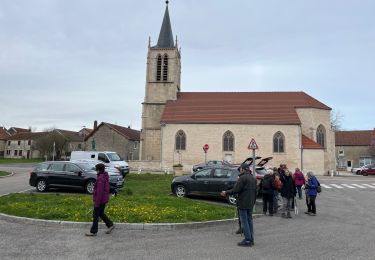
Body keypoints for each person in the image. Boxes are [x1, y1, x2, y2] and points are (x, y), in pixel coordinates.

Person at [221, 163, 257, 247]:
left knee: (244, 221)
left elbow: (236, 189)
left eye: (240, 168)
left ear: (242, 169)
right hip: (250, 202)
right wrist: (253, 201)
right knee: (249, 220)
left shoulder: (242, 178)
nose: (240, 169)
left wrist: (226, 192)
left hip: (243, 202)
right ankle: (251, 239)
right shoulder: (253, 178)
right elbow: (256, 192)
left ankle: (248, 240)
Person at [86, 163, 115, 236]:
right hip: (103, 199)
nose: (96, 171)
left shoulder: (100, 178)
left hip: (100, 200)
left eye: (96, 169)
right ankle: (110, 225)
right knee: (100, 213)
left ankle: (93, 231)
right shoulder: (103, 176)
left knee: (95, 215)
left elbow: (99, 192)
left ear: (98, 169)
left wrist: (97, 203)